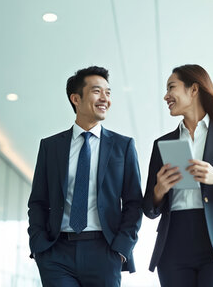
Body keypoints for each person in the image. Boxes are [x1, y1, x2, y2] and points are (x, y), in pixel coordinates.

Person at [143, 64, 213, 286]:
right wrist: (159, 190)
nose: (166, 96)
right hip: (173, 241)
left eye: (171, 87)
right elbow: (148, 208)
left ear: (193, 89)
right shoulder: (162, 144)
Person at [28, 66, 142, 287]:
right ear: (76, 98)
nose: (105, 99)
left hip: (104, 251)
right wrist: (39, 246)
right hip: (57, 253)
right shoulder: (50, 147)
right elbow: (38, 202)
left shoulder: (123, 146)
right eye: (97, 91)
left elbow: (134, 203)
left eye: (108, 93)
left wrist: (121, 249)